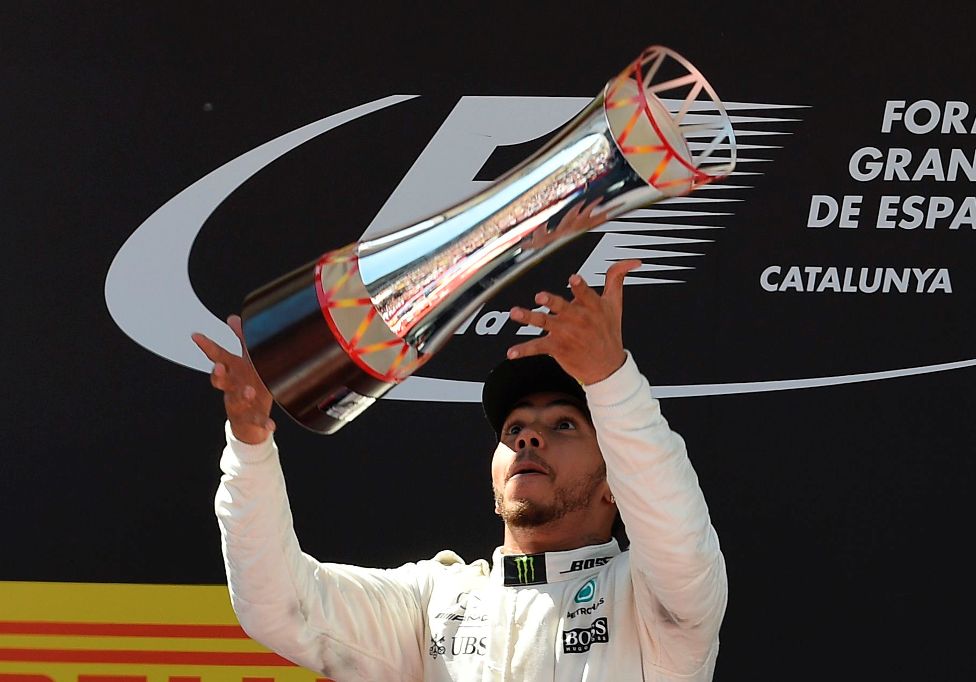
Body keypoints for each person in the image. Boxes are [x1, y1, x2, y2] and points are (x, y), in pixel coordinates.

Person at [192, 260, 727, 681]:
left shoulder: (652, 601)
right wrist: (250, 443)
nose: (528, 436)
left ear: (617, 487)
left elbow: (675, 529)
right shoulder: (435, 602)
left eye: (564, 426)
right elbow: (280, 605)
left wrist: (610, 380)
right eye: (513, 430)